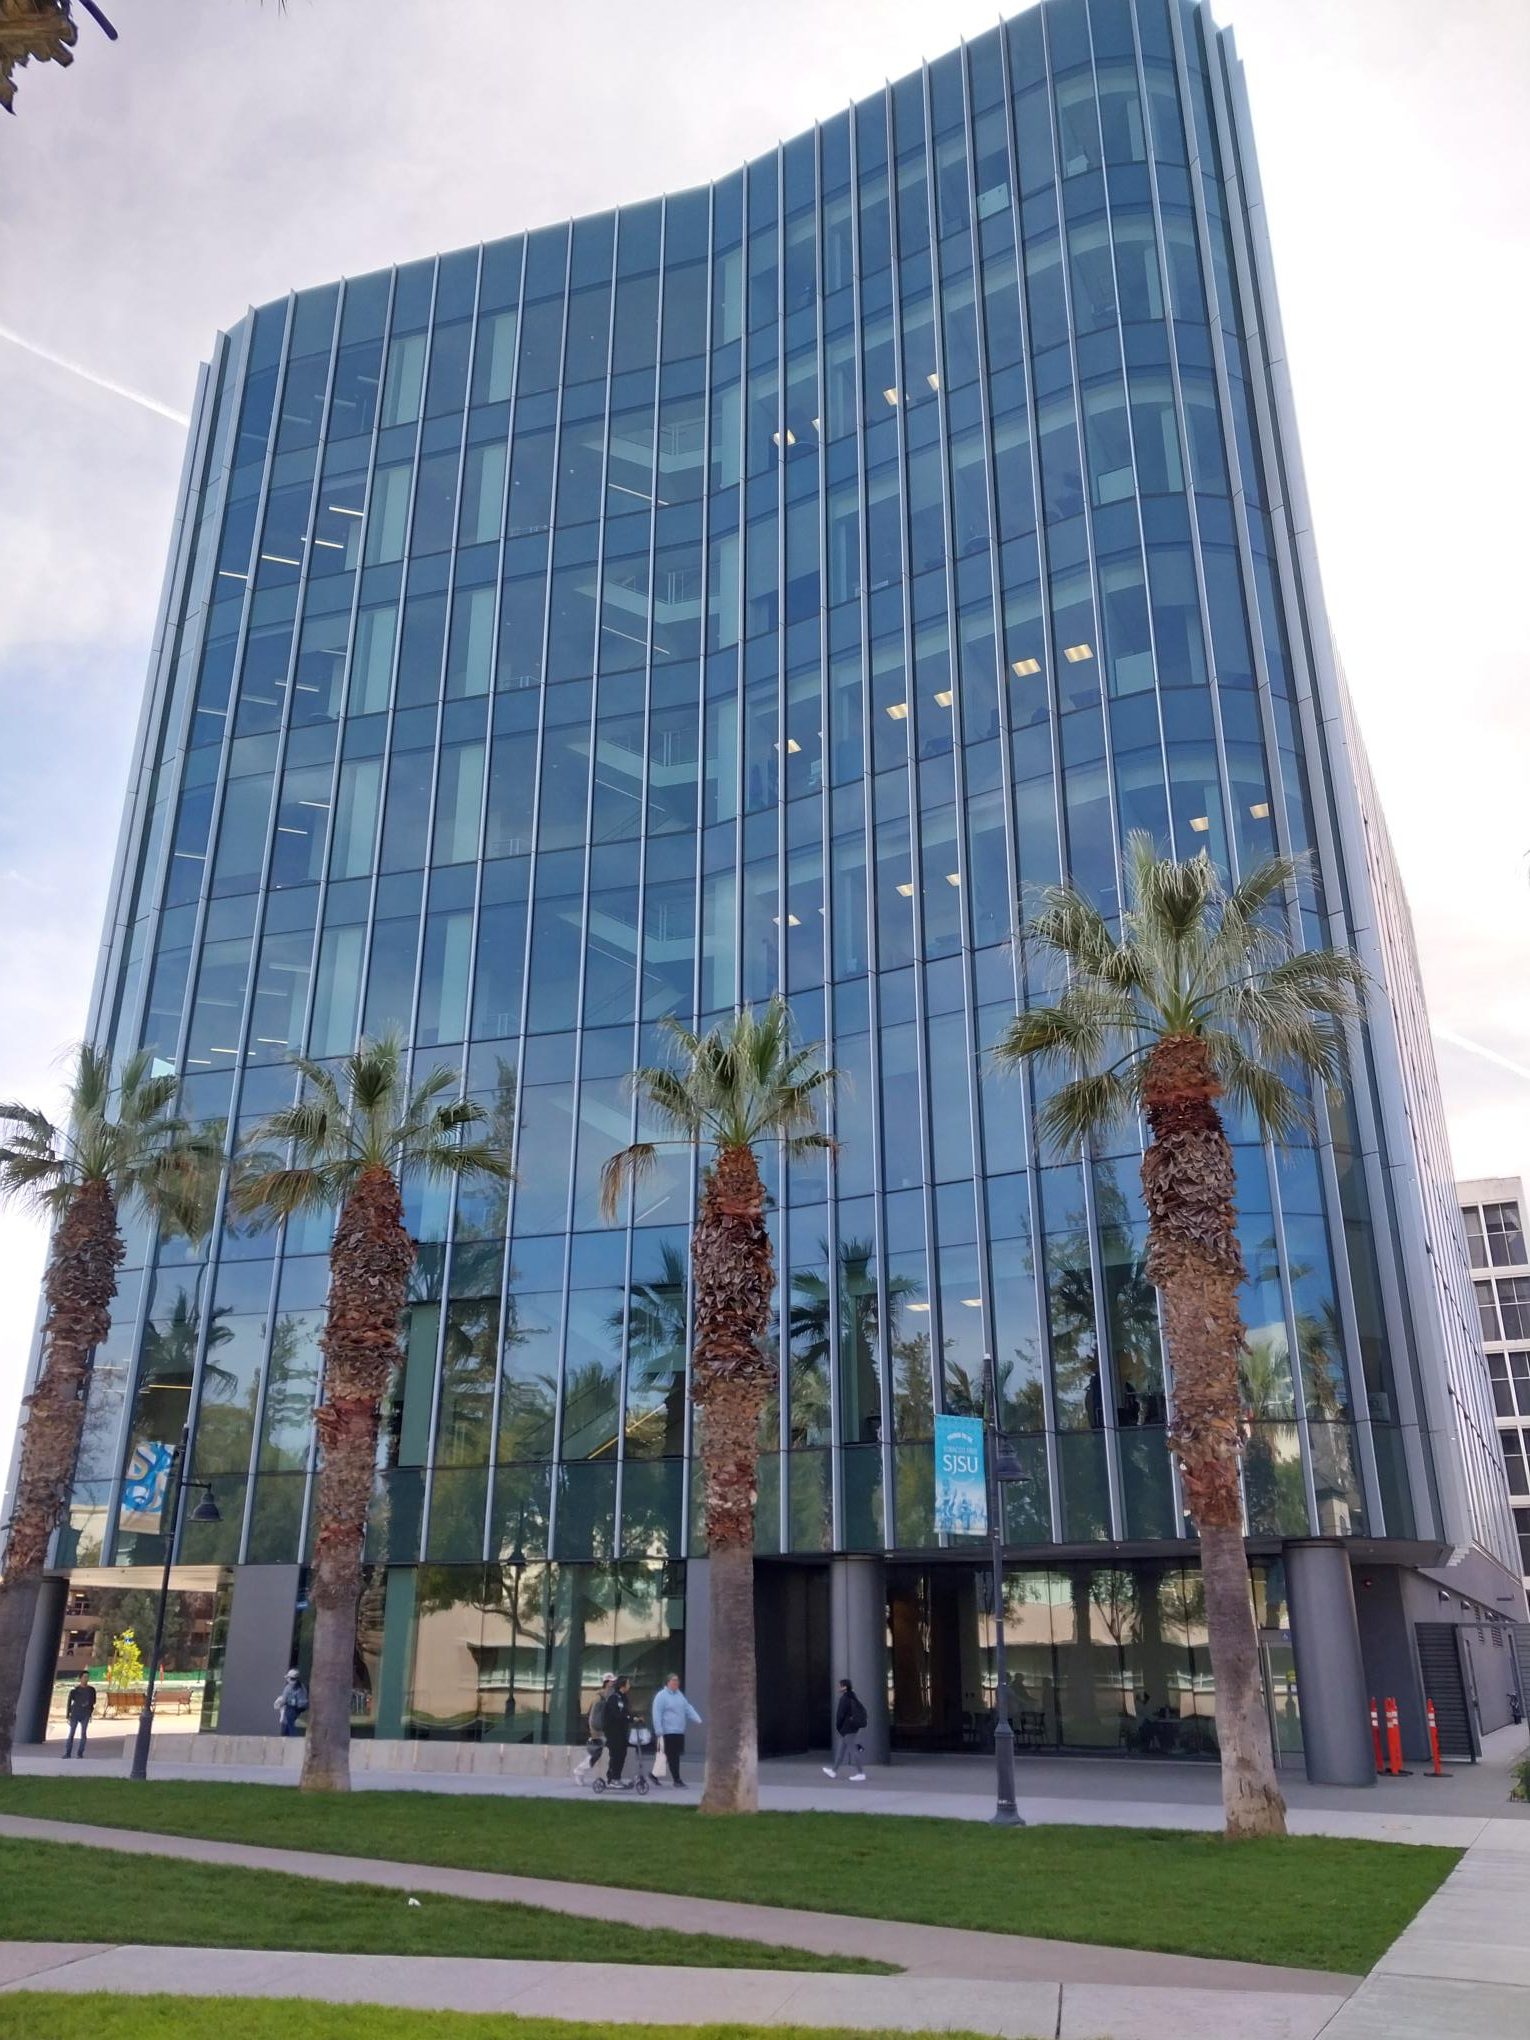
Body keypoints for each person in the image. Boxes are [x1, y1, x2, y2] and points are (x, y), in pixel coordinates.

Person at [650, 1673, 701, 1788]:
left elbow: (688, 1708)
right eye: (673, 1681)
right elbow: (656, 1713)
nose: (676, 1683)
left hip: (678, 1731)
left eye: (677, 1681)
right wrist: (658, 1729)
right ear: (667, 1682)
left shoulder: (679, 1696)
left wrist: (697, 1719)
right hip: (667, 1731)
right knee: (673, 1756)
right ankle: (677, 1780)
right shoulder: (661, 1696)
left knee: (669, 1755)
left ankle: (654, 1775)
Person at [823, 1677, 868, 1782]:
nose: (839, 1687)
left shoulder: (844, 1699)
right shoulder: (852, 1697)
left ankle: (861, 1773)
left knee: (853, 1750)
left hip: (847, 1728)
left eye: (840, 1685)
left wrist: (838, 1726)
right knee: (841, 1750)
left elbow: (840, 1715)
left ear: (844, 1687)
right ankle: (833, 1771)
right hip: (851, 1728)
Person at [603, 1674, 634, 1788]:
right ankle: (612, 1779)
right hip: (614, 1732)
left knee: (622, 1754)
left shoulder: (623, 1697)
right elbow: (617, 1715)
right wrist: (628, 1718)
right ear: (622, 1685)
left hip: (622, 1732)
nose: (629, 1686)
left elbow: (626, 1713)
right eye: (628, 1683)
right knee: (616, 1755)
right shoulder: (614, 1698)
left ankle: (617, 1777)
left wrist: (633, 1718)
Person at [64, 1672, 97, 1758]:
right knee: (71, 1733)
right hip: (75, 1713)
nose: (86, 1679)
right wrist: (68, 1714)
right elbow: (69, 1702)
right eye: (85, 1677)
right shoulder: (75, 1690)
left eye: (87, 1677)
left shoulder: (91, 1690)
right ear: (80, 1678)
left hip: (85, 1713)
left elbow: (93, 1702)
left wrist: (90, 1711)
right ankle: (68, 1753)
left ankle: (80, 1753)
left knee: (83, 1733)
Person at [274, 1668, 308, 1737]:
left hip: (294, 1709)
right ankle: (286, 1734)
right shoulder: (301, 1686)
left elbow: (284, 1700)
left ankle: (293, 1736)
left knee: (290, 1719)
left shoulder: (289, 1688)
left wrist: (280, 1704)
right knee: (288, 1724)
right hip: (301, 1708)